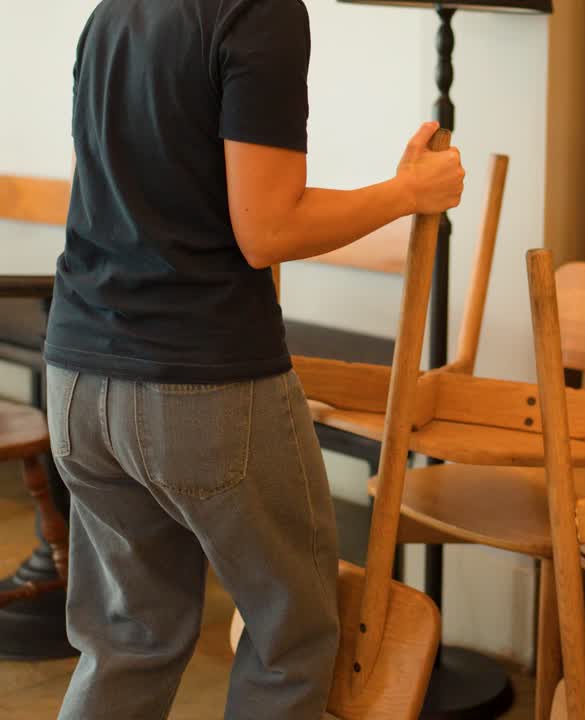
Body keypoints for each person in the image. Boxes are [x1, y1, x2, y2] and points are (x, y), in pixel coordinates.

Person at [45, 0, 465, 717]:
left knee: (128, 641)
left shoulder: (114, 12)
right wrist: (407, 193)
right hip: (200, 386)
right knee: (290, 637)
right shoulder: (260, 11)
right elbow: (266, 228)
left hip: (80, 376)